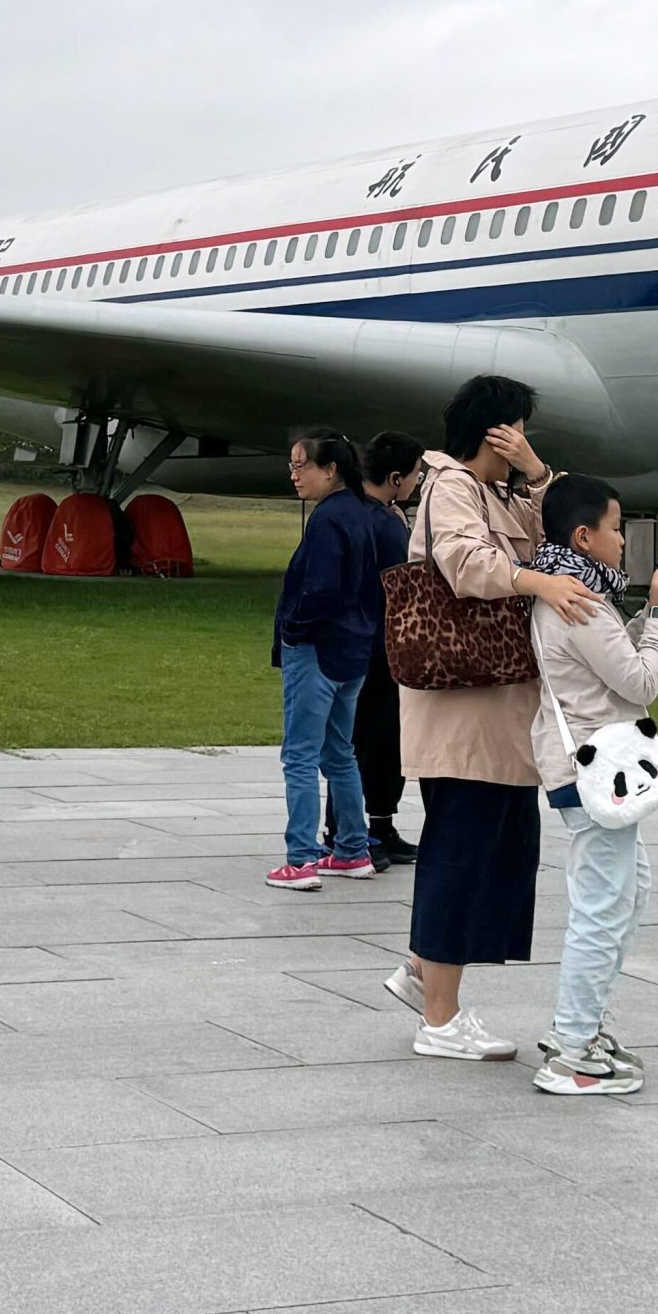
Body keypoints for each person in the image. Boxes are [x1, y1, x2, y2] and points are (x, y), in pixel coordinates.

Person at [389, 376, 602, 1065]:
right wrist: (533, 581)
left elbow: (565, 532)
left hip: (498, 713)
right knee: (460, 855)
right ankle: (440, 1019)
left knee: (492, 853)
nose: (521, 441)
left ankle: (423, 969)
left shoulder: (503, 490)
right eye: (515, 428)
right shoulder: (450, 485)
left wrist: (539, 472)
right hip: (463, 713)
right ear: (493, 431)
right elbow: (462, 560)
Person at [522, 472, 658, 1097]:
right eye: (617, 529)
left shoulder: (577, 593)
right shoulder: (580, 604)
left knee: (630, 892)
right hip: (595, 773)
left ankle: (582, 1028)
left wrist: (653, 609)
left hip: (591, 767)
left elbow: (611, 664)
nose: (624, 540)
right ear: (585, 535)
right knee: (602, 908)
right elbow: (639, 683)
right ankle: (570, 1051)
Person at [266, 430, 387, 889]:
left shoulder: (327, 520)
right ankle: (353, 850)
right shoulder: (360, 512)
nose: (294, 475)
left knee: (299, 754)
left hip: (317, 650)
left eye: (302, 466)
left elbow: (320, 588)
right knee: (339, 752)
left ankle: (300, 858)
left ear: (330, 469)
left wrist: (294, 631)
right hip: (353, 651)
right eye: (292, 465)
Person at [356, 432, 427, 864]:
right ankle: (354, 829)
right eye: (416, 475)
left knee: (378, 739)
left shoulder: (374, 515)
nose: (418, 484)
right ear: (396, 477)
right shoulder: (383, 523)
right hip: (379, 646)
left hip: (374, 644)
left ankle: (378, 825)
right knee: (372, 739)